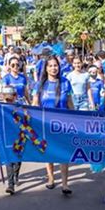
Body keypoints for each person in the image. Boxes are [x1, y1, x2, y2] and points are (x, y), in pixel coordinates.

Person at [32, 56, 74, 195]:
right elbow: (35, 104)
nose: (53, 68)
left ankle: (65, 183)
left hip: (63, 124)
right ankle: (50, 178)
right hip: (45, 124)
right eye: (50, 66)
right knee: (48, 151)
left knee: (63, 153)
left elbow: (70, 103)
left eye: (55, 65)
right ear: (45, 68)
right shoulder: (39, 85)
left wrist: (77, 119)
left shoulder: (65, 83)